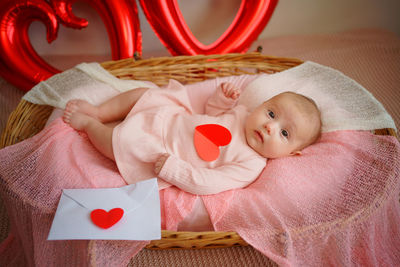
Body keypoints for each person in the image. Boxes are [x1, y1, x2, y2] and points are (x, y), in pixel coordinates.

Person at [63, 81, 321, 195]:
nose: (269, 126)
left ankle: (89, 124)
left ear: (291, 154)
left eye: (284, 133)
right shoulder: (243, 114)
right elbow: (211, 117)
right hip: (170, 117)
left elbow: (210, 182)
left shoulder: (251, 165)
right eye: (271, 113)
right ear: (262, 105)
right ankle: (100, 110)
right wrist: (222, 100)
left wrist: (176, 170)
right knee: (144, 93)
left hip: (161, 148)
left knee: (116, 143)